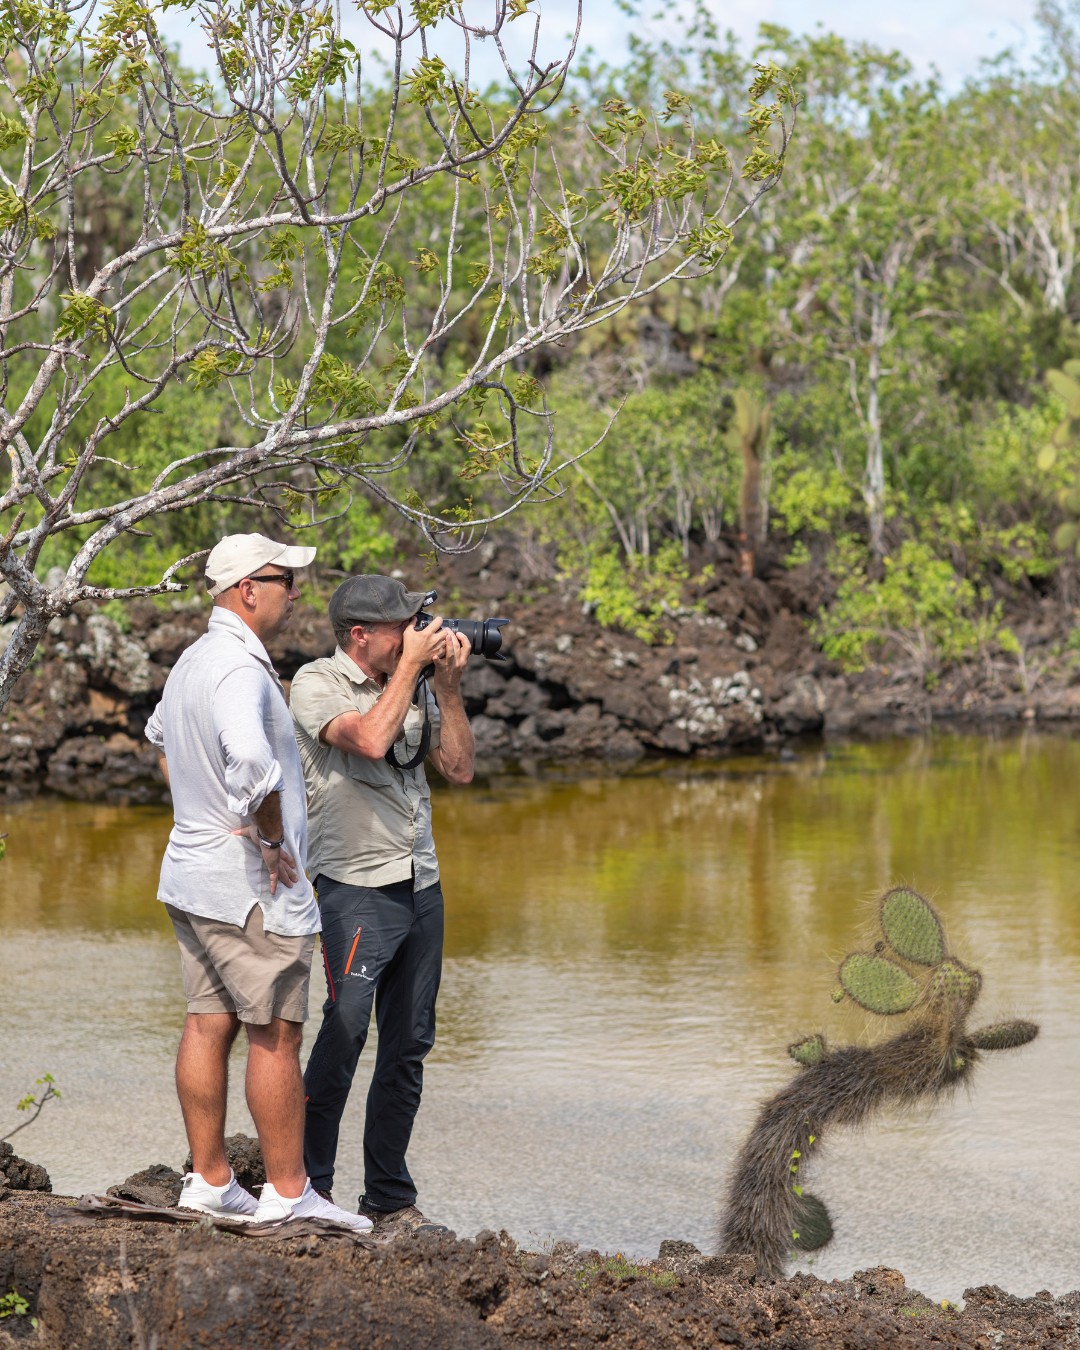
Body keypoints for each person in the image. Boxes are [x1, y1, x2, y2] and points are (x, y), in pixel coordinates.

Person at [145, 532, 371, 1232]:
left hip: (192, 874)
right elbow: (251, 762)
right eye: (284, 579)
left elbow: (160, 743)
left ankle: (211, 1179)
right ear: (248, 589)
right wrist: (268, 837)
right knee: (275, 1032)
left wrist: (203, 813)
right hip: (247, 888)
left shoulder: (194, 658)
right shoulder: (241, 670)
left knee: (207, 1022)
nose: (295, 591)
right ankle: (287, 1190)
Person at [290, 574, 475, 1237]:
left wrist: (445, 687)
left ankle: (388, 1199)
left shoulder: (418, 685)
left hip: (421, 884)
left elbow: (459, 769)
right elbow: (368, 739)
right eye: (404, 625)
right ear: (361, 635)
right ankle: (306, 1191)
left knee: (408, 1048)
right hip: (354, 888)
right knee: (341, 1038)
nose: (417, 632)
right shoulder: (315, 684)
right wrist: (412, 674)